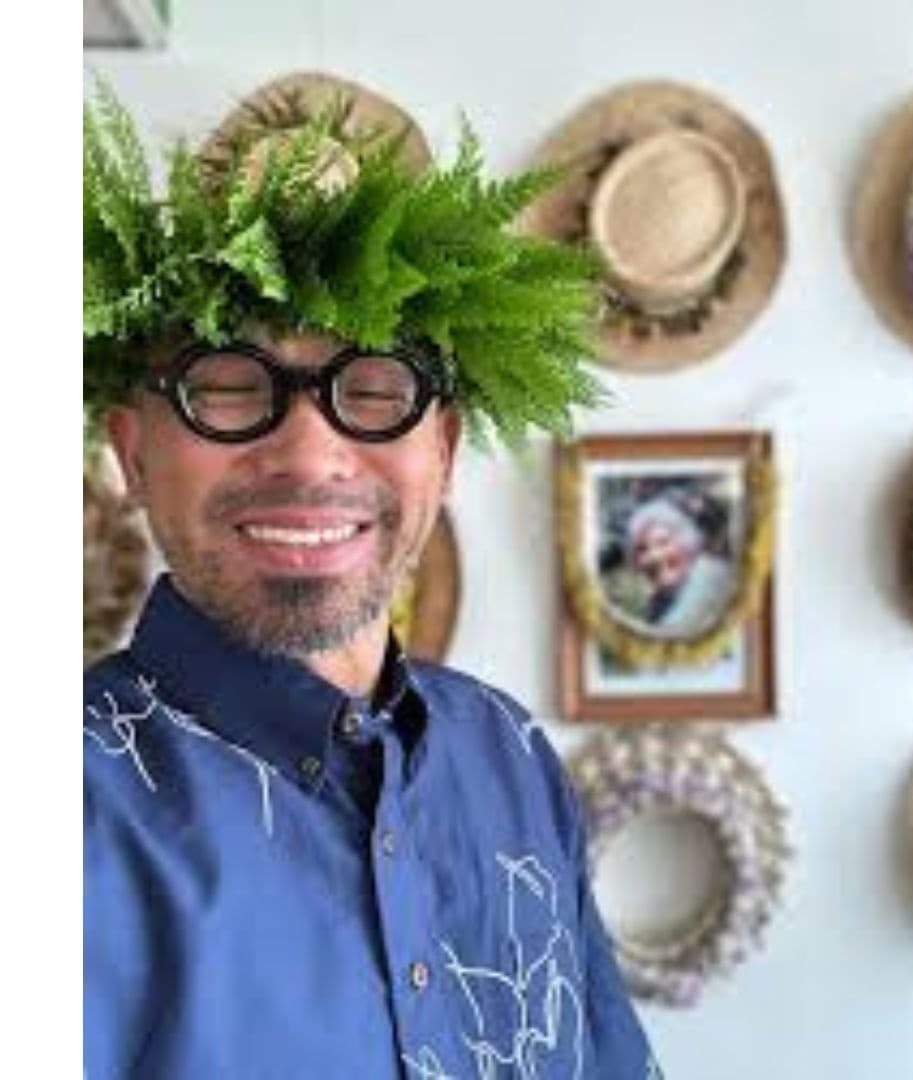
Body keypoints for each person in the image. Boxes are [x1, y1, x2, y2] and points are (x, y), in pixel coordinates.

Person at [83, 74, 661, 1079]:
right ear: (132, 451)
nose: (310, 457)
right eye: (226, 385)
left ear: (440, 449)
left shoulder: (513, 755)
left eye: (375, 386)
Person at [626, 496, 732, 636]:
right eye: (643, 549)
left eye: (664, 543)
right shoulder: (658, 601)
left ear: (687, 542)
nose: (655, 556)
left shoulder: (709, 577)